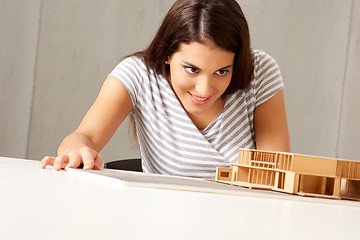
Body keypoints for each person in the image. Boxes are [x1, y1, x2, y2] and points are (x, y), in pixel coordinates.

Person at [40, 0, 290, 178]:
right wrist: (76, 151)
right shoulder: (138, 74)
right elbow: (85, 136)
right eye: (192, 69)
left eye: (222, 71)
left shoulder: (260, 72)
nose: (204, 89)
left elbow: (273, 174)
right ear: (167, 54)